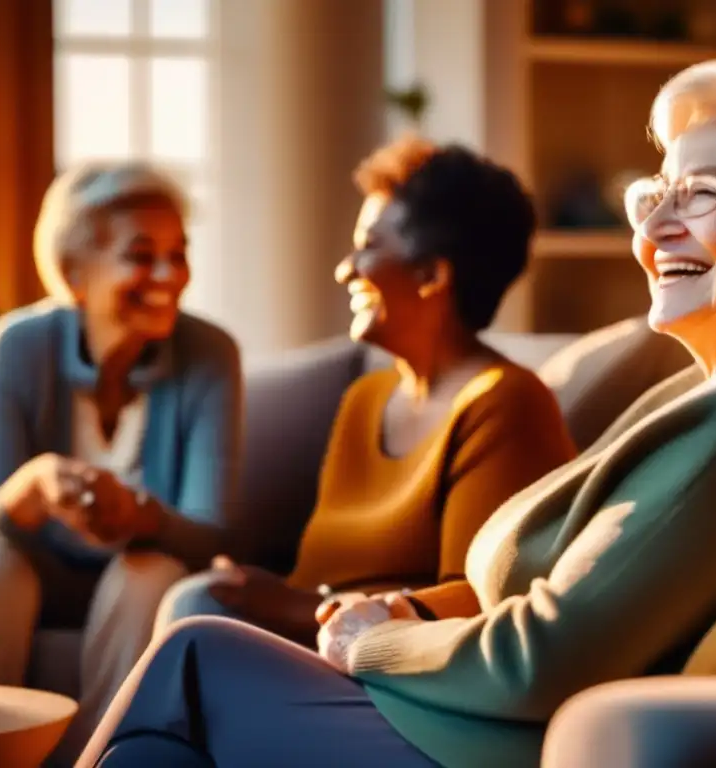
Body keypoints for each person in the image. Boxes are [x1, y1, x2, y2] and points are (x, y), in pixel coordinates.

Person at [78, 52, 716, 768]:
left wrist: (367, 639)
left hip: (498, 742)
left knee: (193, 657)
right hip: (471, 713)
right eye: (656, 193)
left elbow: (549, 653)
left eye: (703, 193)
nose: (655, 227)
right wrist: (406, 608)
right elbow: (578, 588)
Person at [152, 136, 577, 647]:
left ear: (431, 275)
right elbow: (315, 579)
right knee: (199, 597)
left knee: (196, 611)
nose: (346, 268)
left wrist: (293, 606)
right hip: (321, 645)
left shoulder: (504, 403)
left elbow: (475, 605)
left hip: (395, 669)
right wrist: (266, 592)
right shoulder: (366, 400)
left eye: (369, 246)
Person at [0, 162, 243, 764]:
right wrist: (28, 489)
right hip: (31, 572)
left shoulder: (210, 352)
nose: (169, 276)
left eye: (178, 254)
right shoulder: (18, 343)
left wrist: (140, 516)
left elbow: (212, 532)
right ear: (76, 273)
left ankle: (99, 760)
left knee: (150, 572)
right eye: (141, 255)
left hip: (130, 579)